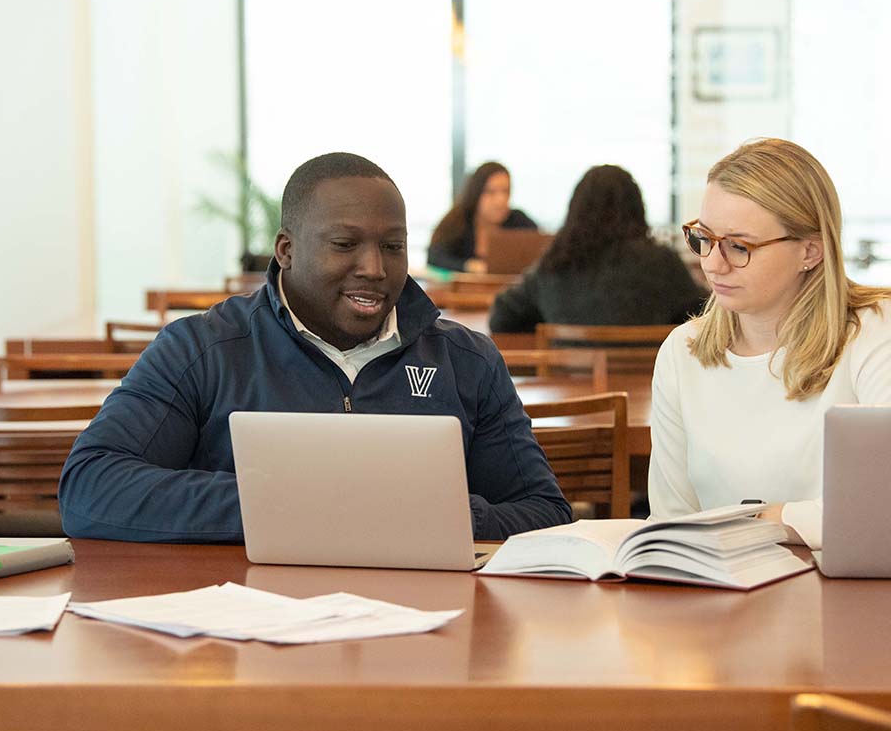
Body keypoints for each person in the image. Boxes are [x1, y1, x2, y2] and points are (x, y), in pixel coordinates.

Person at [59, 152, 572, 542]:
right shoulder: (203, 349)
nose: (374, 268)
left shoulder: (467, 361)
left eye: (392, 247)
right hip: (247, 623)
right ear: (287, 250)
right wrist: (290, 504)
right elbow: (91, 486)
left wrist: (437, 512)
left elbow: (545, 512)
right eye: (345, 245)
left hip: (425, 626)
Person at [648, 139, 891, 550]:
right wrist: (793, 519)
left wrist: (765, 520)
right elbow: (671, 522)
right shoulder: (683, 350)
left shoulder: (881, 328)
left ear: (811, 251)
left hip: (849, 586)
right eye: (704, 238)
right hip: (722, 586)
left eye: (739, 246)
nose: (711, 263)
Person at [488, 164, 706, 333]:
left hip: (568, 378)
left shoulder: (556, 265)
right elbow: (706, 313)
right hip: (648, 378)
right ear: (637, 209)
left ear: (575, 211)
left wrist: (548, 320)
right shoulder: (662, 263)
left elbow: (501, 317)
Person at [427, 162, 538, 273]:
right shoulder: (458, 220)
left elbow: (542, 250)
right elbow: (434, 257)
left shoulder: (519, 221)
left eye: (506, 191)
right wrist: (468, 266)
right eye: (490, 192)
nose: (500, 200)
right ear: (476, 192)